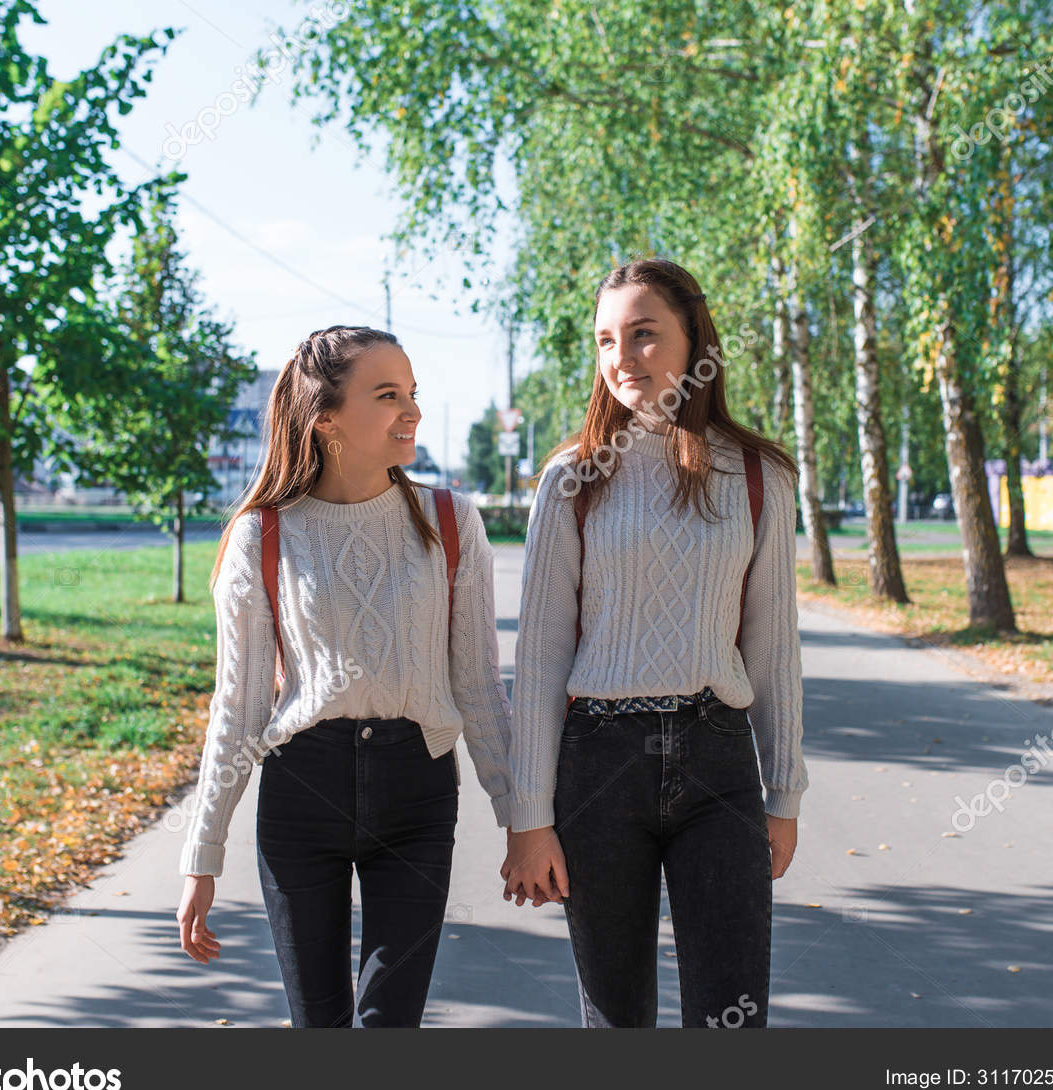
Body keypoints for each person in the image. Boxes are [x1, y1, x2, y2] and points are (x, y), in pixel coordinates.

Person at [175, 325, 514, 1029]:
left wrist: (523, 821)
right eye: (388, 395)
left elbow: (480, 687)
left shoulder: (449, 522)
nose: (411, 411)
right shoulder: (263, 535)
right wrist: (201, 855)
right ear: (325, 418)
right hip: (304, 793)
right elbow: (237, 709)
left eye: (413, 393)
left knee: (388, 1026)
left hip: (417, 793)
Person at [502, 258, 808, 1027]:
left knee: (731, 1020)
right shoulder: (571, 479)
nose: (622, 358)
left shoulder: (760, 475)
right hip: (598, 765)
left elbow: (774, 647)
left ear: (693, 339)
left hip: (718, 761)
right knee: (616, 1022)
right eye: (606, 340)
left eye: (644, 334)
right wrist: (528, 815)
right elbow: (538, 660)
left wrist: (785, 794)